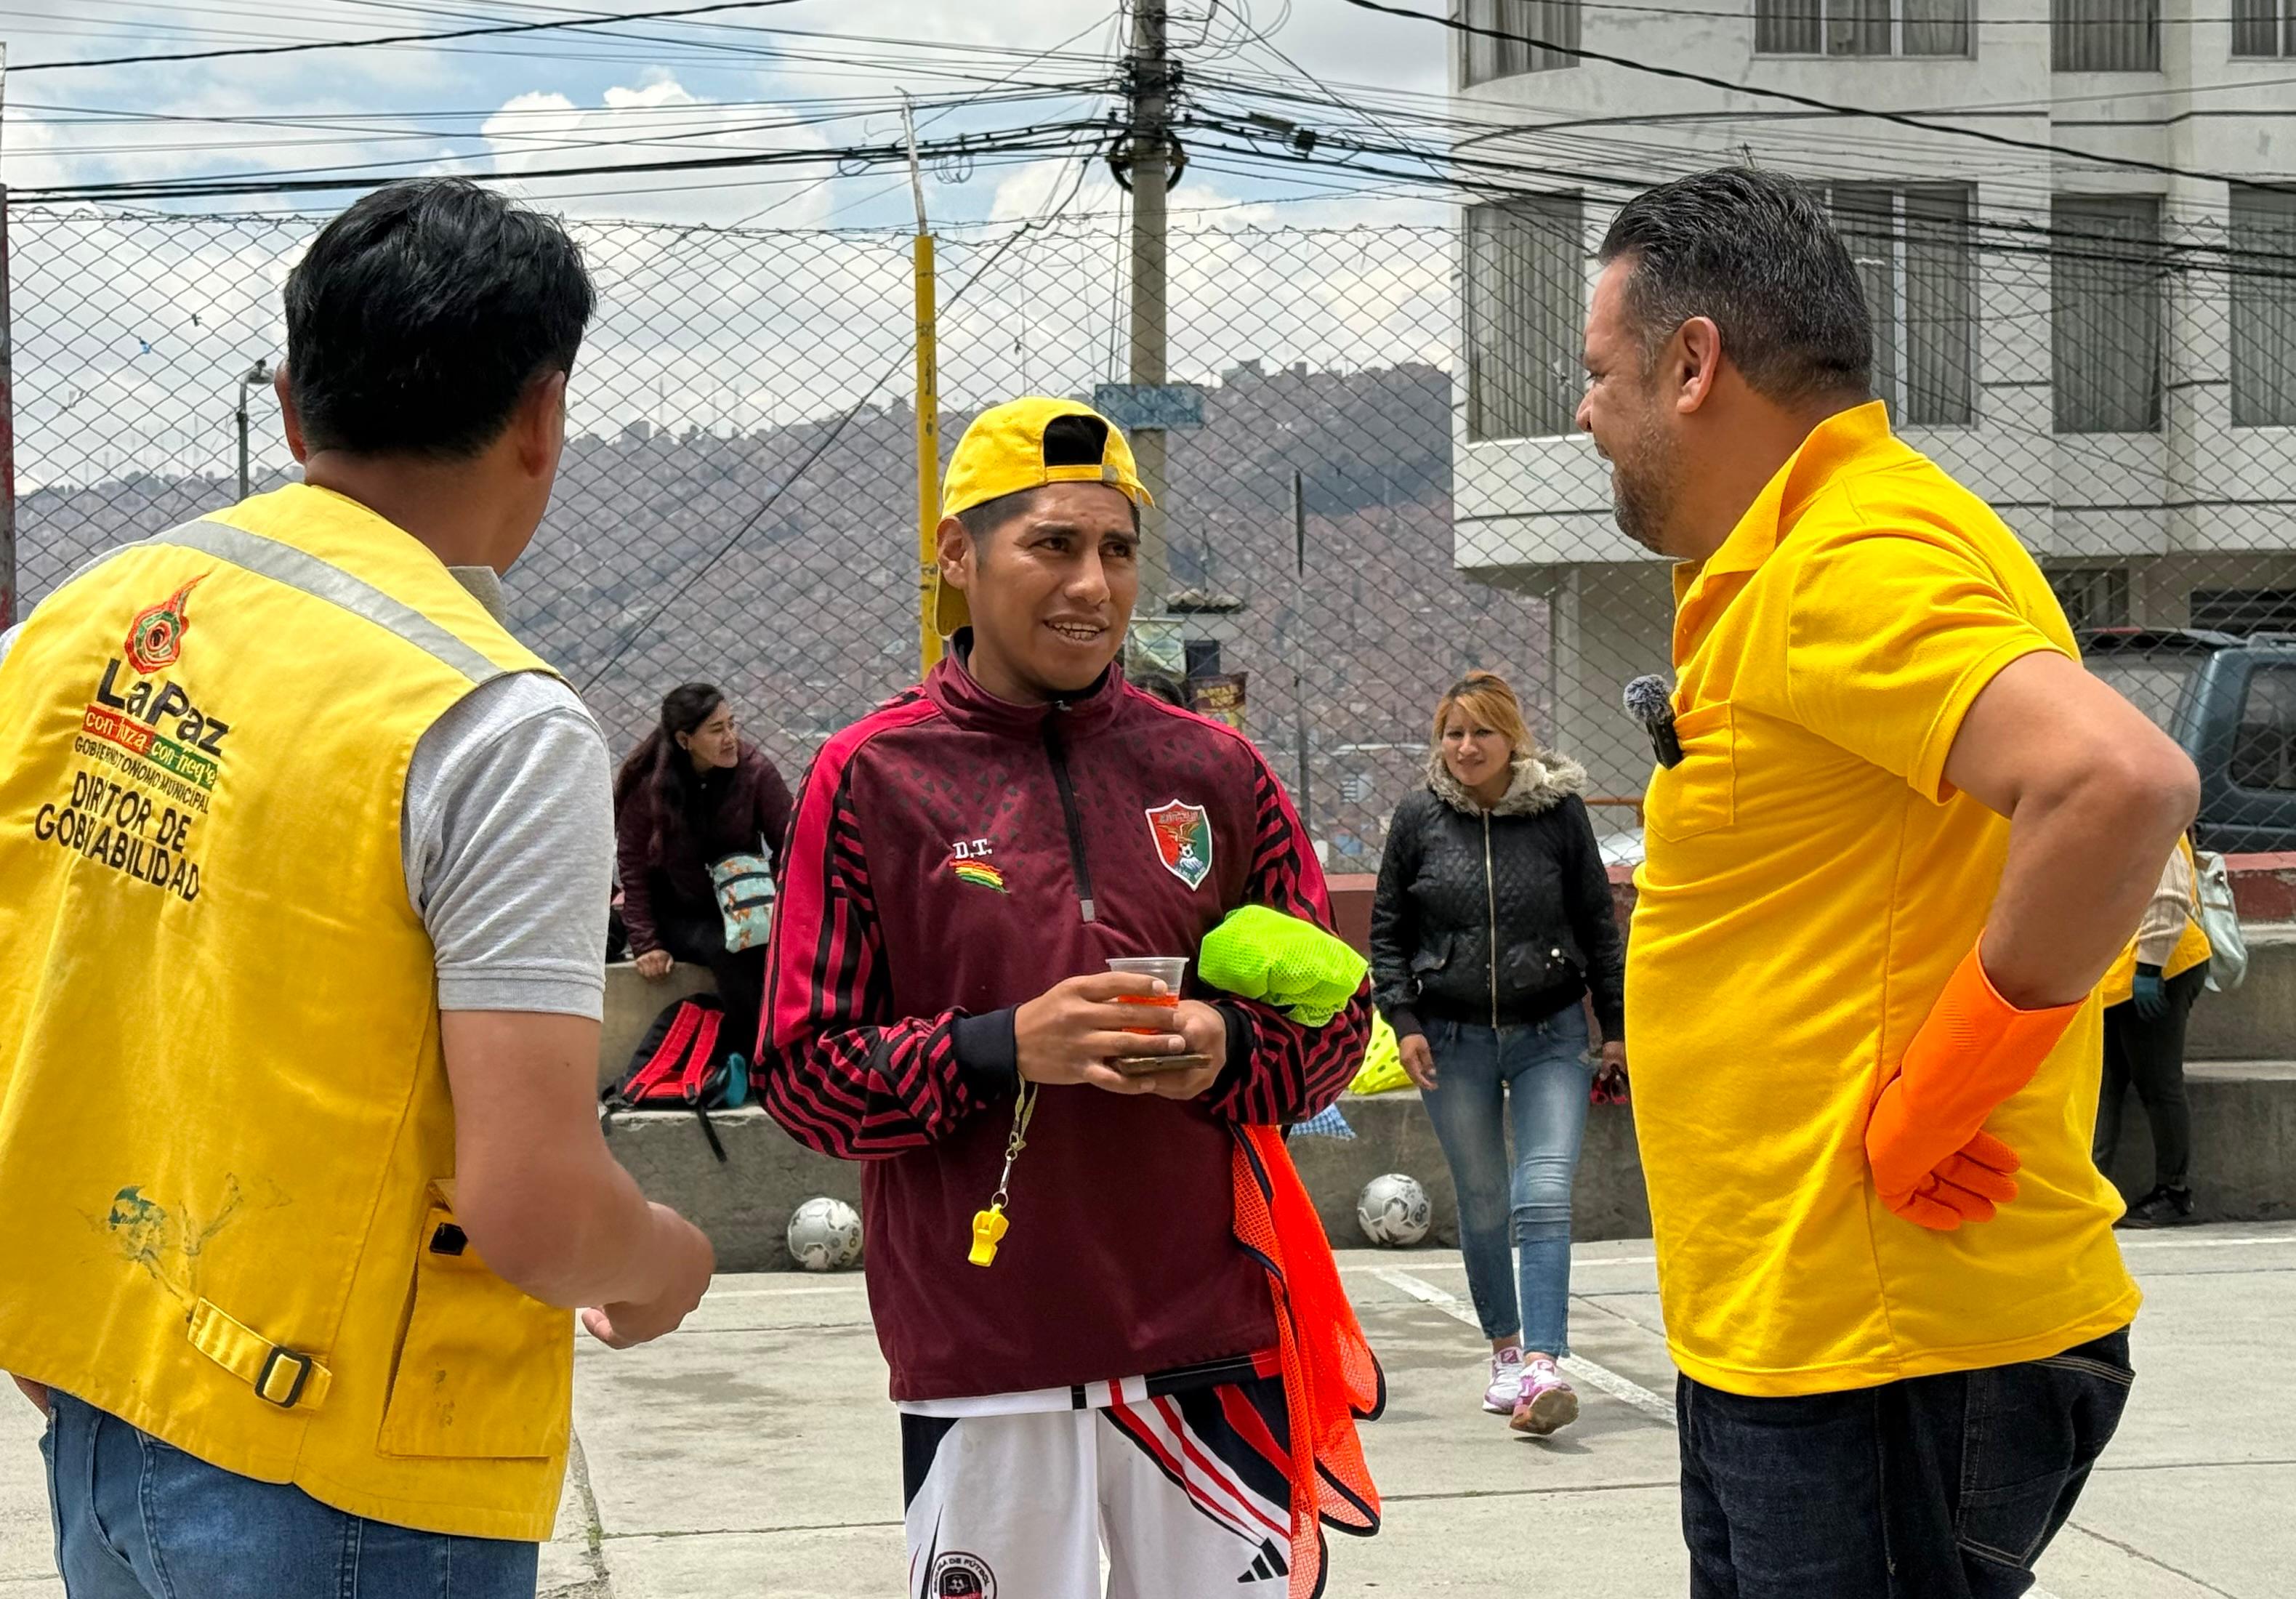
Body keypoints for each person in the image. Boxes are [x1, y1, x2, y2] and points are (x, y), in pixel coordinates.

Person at [0, 179, 714, 1599]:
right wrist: (660, 1261)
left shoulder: (74, 625)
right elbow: (531, 1204)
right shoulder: (490, 722)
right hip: (348, 1481)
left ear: (289, 407)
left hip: (98, 1404)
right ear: (541, 417)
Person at [1578, 168, 2199, 1598]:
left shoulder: (1843, 560)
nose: (1584, 414)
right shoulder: (1821, 546)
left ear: (1692, 365)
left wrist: (1939, 1094)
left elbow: (2115, 784)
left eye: (1601, 373)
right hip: (1817, 1327)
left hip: (1883, 1340)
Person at [759, 397, 1376, 1598]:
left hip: (1209, 1341)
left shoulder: (1214, 769)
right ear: (958, 553)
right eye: (1051, 544)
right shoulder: (871, 776)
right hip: (983, 1352)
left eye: (1117, 549)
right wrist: (1000, 1047)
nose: (1091, 584)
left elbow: (1337, 1025)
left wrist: (1223, 1048)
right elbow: (801, 1075)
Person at [1368, 669, 1626, 1436]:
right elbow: (1388, 930)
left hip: (1551, 1031)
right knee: (1482, 1199)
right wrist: (1404, 1019)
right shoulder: (1418, 816)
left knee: (1541, 1191)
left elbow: (1598, 923)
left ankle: (1544, 1362)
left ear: (1512, 738)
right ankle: (1506, 1353)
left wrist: (1614, 1027)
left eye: (1482, 731)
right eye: (1453, 733)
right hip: (1451, 1038)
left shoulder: (1557, 813)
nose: (1466, 746)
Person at [613, 681, 792, 1047]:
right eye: (716, 729)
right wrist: (647, 944)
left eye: (732, 724)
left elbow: (791, 842)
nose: (730, 738)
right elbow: (633, 868)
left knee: (770, 946)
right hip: (680, 913)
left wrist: (768, 894)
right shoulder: (650, 786)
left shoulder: (754, 771)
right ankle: (757, 1056)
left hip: (746, 905)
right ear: (685, 740)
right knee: (731, 951)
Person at [2095, 835, 2212, 1227]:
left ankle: (2174, 1193)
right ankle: (2091, 1189)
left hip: (2160, 968)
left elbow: (2169, 897)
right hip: (2119, 974)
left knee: (2158, 1082)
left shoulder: (2151, 814)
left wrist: (2149, 968)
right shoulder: (2109, 816)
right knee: (2105, 1082)